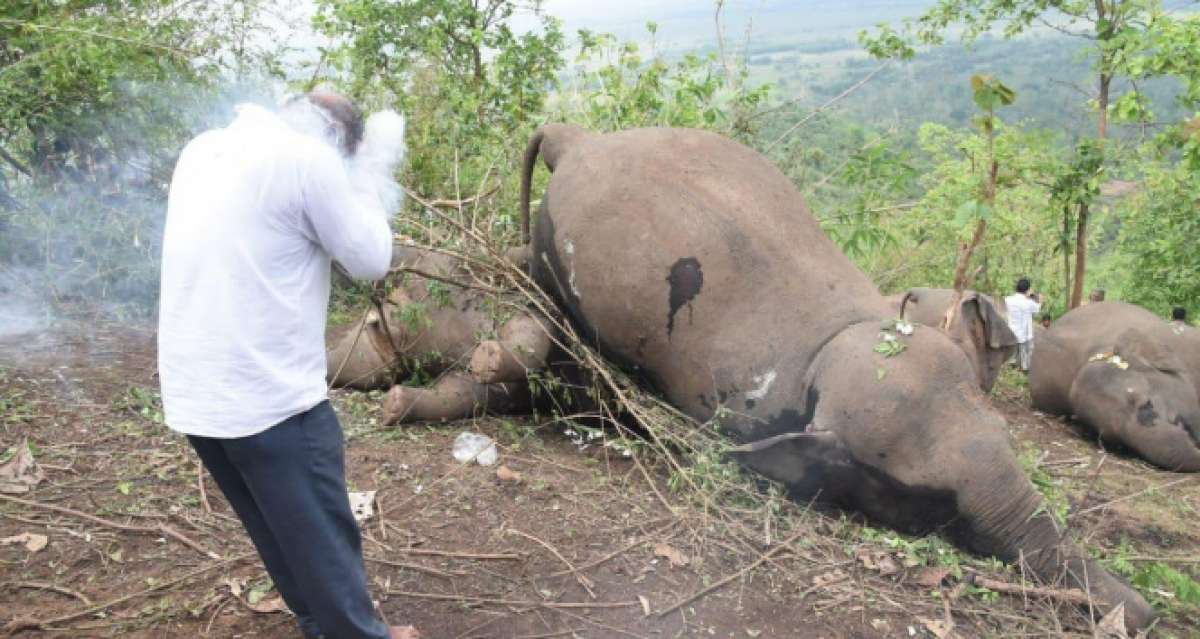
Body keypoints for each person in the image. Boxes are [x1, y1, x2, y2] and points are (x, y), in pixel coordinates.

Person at [158, 92, 418, 639]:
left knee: (277, 529)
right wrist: (366, 175)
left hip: (195, 395)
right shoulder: (308, 160)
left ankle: (318, 626)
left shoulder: (204, 148)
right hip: (267, 399)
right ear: (338, 144)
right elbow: (372, 260)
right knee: (322, 535)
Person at [1004, 278, 1044, 372]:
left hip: (1012, 332)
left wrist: (1027, 296)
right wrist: (1041, 300)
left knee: (1013, 356)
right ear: (1028, 289)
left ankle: (1012, 368)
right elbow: (1037, 309)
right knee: (1026, 358)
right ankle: (1024, 370)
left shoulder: (1008, 300)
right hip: (1025, 335)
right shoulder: (1028, 303)